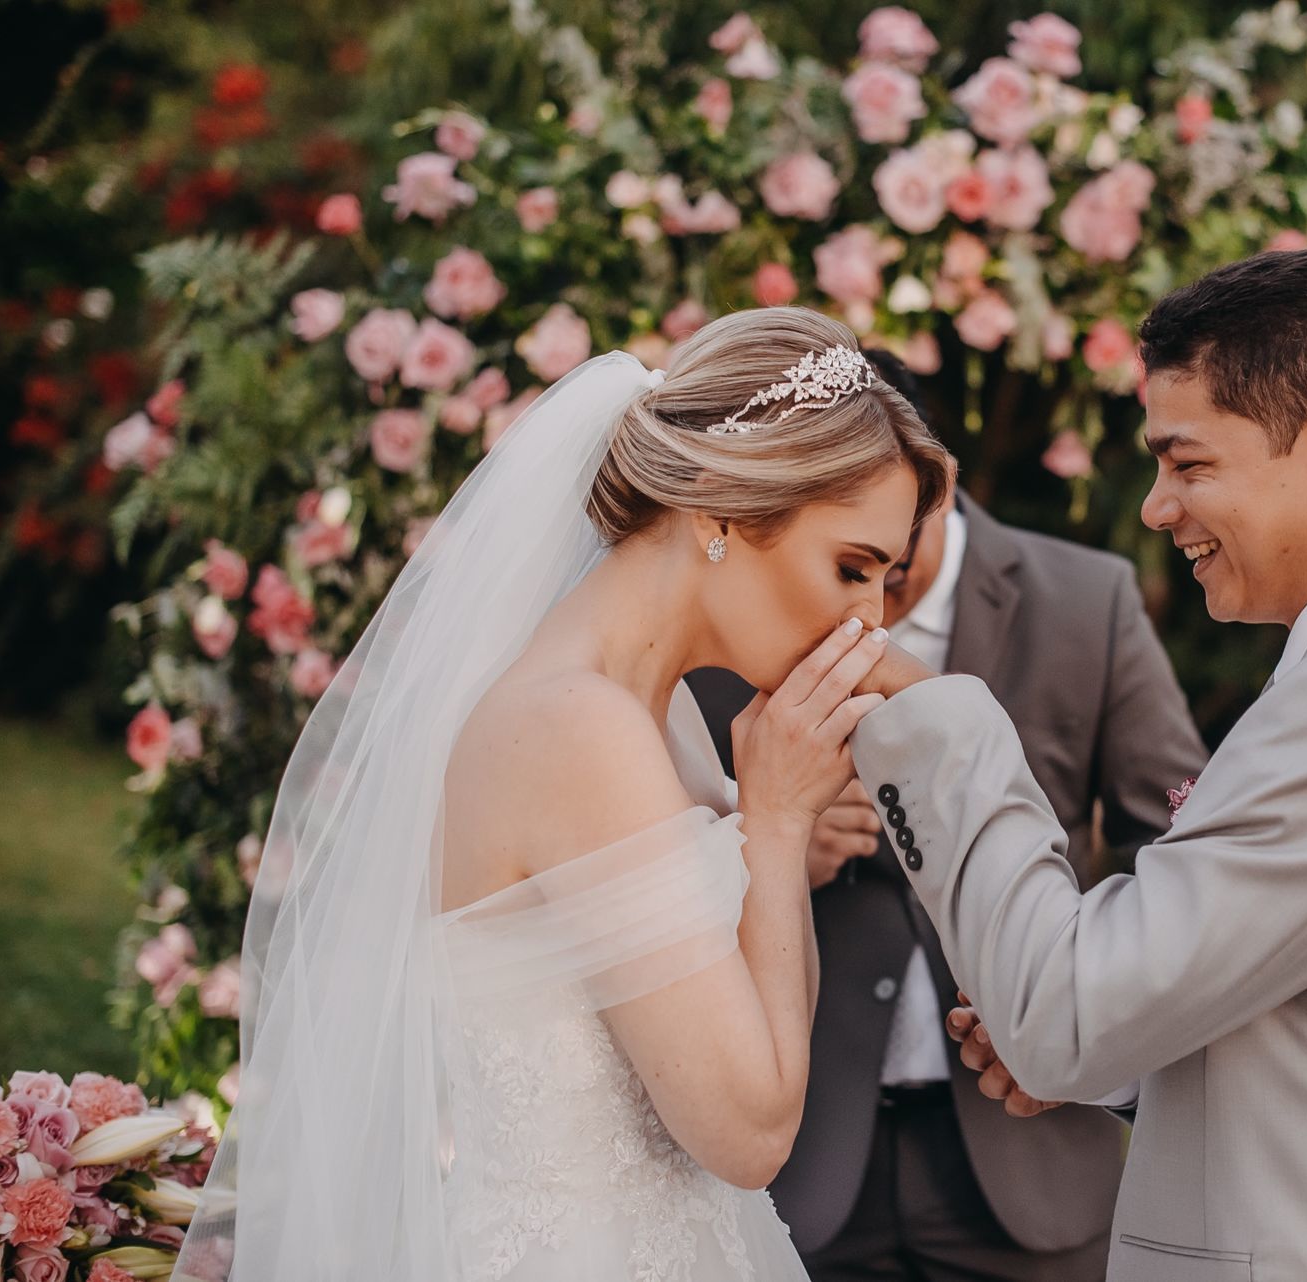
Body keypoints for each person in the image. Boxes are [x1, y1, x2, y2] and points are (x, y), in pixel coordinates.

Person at [819, 249, 1307, 1281]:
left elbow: (1062, 1012)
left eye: (1188, 464)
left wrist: (940, 725)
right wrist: (1117, 1054)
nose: (1156, 506)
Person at [176, 309, 951, 1282]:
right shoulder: (578, 729)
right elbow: (750, 1132)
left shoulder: (648, 712)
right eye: (851, 567)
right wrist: (782, 819)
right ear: (716, 508)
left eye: (885, 580)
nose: (868, 620)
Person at [688, 350, 1206, 1281]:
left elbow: (1173, 829)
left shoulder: (1087, 602)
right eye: (847, 560)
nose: (866, 608)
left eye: (887, 560)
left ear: (938, 484)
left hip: (1026, 1164)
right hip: (803, 1166)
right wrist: (765, 849)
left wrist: (1076, 993)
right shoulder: (743, 608)